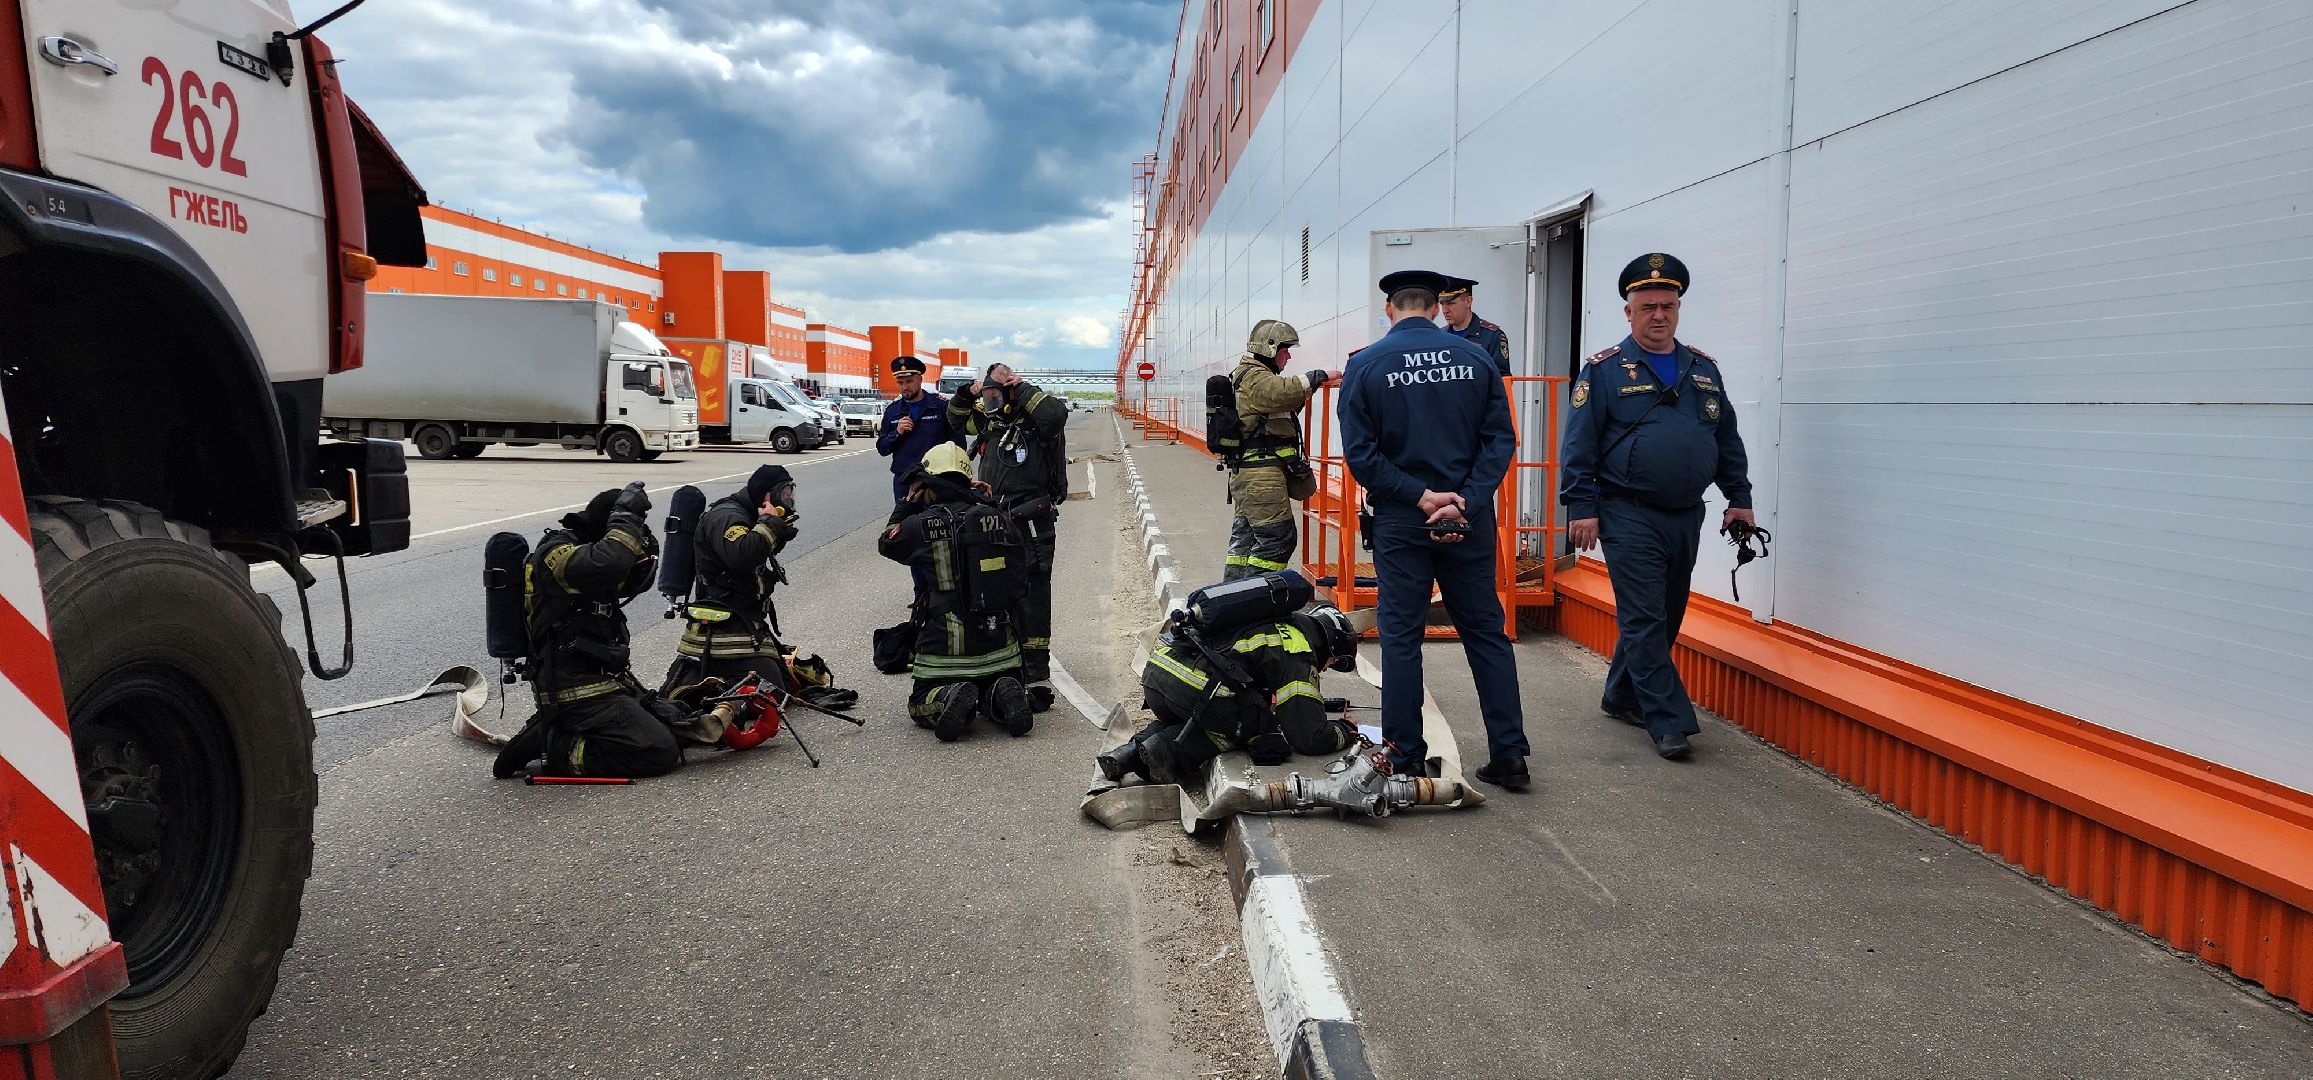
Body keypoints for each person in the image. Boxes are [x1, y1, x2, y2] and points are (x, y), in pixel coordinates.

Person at [1335, 269, 1530, 789]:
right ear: (1433, 305)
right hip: (1468, 517)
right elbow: (1500, 440)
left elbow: (1361, 454)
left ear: (1390, 309)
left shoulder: (1366, 365)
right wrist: (1466, 499)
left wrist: (1419, 496)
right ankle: (1510, 754)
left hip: (1403, 518)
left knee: (1401, 636)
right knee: (1485, 632)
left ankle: (1403, 758)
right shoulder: (1476, 357)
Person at [1560, 253, 1754, 760]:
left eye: (1668, 305)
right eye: (1648, 307)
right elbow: (1578, 444)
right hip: (1626, 510)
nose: (1659, 315)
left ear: (1678, 308)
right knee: (1644, 615)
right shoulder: (1603, 371)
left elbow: (1726, 439)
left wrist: (1740, 498)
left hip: (1686, 512)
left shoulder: (1703, 369)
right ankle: (1667, 720)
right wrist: (1581, 506)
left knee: (1666, 615)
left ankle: (1622, 694)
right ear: (1629, 312)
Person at [493, 483, 684, 779]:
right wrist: (627, 516)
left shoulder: (594, 552)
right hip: (573, 691)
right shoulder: (558, 554)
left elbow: (636, 578)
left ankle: (551, 730)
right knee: (659, 751)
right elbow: (610, 561)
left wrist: (641, 537)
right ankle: (555, 746)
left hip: (607, 681)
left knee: (677, 721)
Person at [1098, 594, 1362, 786]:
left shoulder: (1273, 617)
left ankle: (1126, 755)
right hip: (1193, 685)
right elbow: (1308, 737)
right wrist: (1346, 730)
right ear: (1330, 645)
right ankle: (1166, 753)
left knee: (1210, 715)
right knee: (1250, 726)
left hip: (1158, 674)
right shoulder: (1298, 647)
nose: (1327, 668)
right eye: (1333, 662)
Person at [877, 443, 1037, 740]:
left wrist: (908, 503)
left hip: (945, 649)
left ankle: (949, 693)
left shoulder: (920, 525)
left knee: (921, 702)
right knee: (993, 684)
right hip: (1000, 647)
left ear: (928, 483)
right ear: (968, 481)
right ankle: (1001, 692)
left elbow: (887, 543)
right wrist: (987, 502)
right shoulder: (997, 517)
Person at [948, 362, 1069, 683]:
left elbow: (1056, 416)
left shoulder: (1036, 417)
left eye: (995, 394)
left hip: (1031, 520)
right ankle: (1006, 653)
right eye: (987, 395)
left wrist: (1023, 388)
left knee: (1033, 589)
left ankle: (1036, 661)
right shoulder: (991, 421)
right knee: (994, 586)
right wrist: (967, 393)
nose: (990, 402)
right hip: (996, 517)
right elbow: (955, 420)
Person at [662, 464, 801, 697]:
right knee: (772, 695)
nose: (788, 500)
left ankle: (718, 684)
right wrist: (770, 522)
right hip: (722, 633)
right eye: (784, 494)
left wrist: (779, 529)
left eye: (790, 494)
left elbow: (757, 552)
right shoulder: (727, 517)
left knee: (784, 688)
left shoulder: (748, 514)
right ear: (767, 495)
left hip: (743, 621)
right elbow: (743, 556)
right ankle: (715, 691)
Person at [1222, 321, 1340, 581]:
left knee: (1246, 541)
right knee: (1277, 538)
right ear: (1271, 349)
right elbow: (1281, 392)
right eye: (1285, 350)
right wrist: (1318, 376)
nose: (1289, 356)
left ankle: (1231, 594)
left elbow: (1281, 407)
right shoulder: (1254, 378)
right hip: (1260, 476)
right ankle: (1254, 596)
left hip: (1253, 475)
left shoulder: (1253, 377)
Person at [877, 354, 964, 504]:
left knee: (937, 518)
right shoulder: (892, 411)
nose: (904, 387)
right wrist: (897, 433)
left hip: (936, 479)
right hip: (905, 479)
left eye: (909, 381)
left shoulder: (940, 407)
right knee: (905, 518)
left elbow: (959, 444)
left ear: (920, 379)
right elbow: (882, 448)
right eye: (900, 382)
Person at [1438, 275, 1514, 377]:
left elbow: (1502, 378)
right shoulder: (1439, 336)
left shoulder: (1491, 336)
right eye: (1442, 304)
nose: (1445, 310)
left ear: (1468, 301)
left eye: (1451, 303)